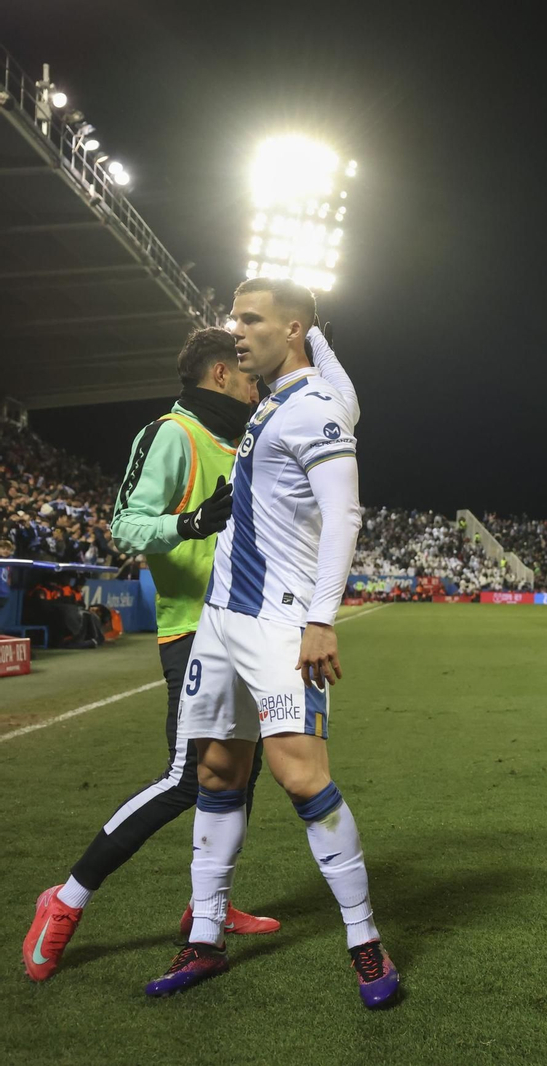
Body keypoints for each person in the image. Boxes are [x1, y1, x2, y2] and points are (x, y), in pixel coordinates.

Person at [142, 277, 395, 1008]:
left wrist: (323, 620)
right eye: (234, 317)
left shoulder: (314, 409)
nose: (234, 331)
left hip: (282, 623)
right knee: (218, 774)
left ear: (290, 332)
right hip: (220, 619)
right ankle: (207, 938)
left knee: (301, 778)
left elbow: (344, 518)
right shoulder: (293, 394)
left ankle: (365, 942)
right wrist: (308, 327)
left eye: (250, 320)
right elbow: (324, 354)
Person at [24, 328, 282, 982]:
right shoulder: (172, 433)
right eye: (250, 377)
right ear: (220, 374)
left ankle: (208, 909)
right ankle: (66, 897)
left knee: (241, 776)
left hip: (245, 628)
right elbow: (126, 523)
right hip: (193, 629)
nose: (258, 389)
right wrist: (191, 523)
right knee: (188, 779)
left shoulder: (238, 444)